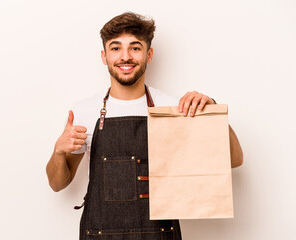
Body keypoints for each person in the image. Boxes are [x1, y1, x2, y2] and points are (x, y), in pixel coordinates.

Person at [46, 12, 243, 240]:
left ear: (149, 55)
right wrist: (59, 151)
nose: (125, 57)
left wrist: (212, 114)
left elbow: (235, 159)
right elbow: (57, 183)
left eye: (135, 48)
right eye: (116, 48)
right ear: (104, 56)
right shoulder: (84, 111)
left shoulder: (175, 107)